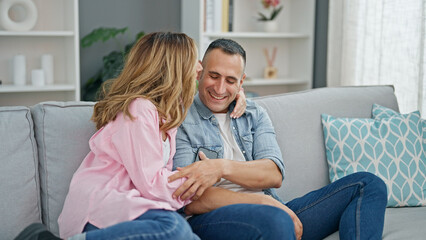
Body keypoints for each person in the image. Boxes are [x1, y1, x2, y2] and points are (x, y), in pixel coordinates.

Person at [14, 32, 247, 240]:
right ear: (175, 69)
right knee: (173, 228)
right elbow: (151, 182)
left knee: (185, 234)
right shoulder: (140, 109)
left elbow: (216, 90)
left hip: (136, 208)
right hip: (102, 210)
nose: (198, 68)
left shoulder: (169, 114)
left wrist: (239, 92)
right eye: (193, 62)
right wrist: (200, 180)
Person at [168, 38, 388, 240]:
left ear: (241, 82)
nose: (219, 88)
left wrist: (220, 168)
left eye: (230, 80)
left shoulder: (254, 114)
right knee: (275, 219)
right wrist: (261, 201)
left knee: (368, 184)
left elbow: (273, 174)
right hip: (214, 220)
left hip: (275, 212)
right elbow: (190, 198)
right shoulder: (181, 118)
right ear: (199, 71)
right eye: (213, 76)